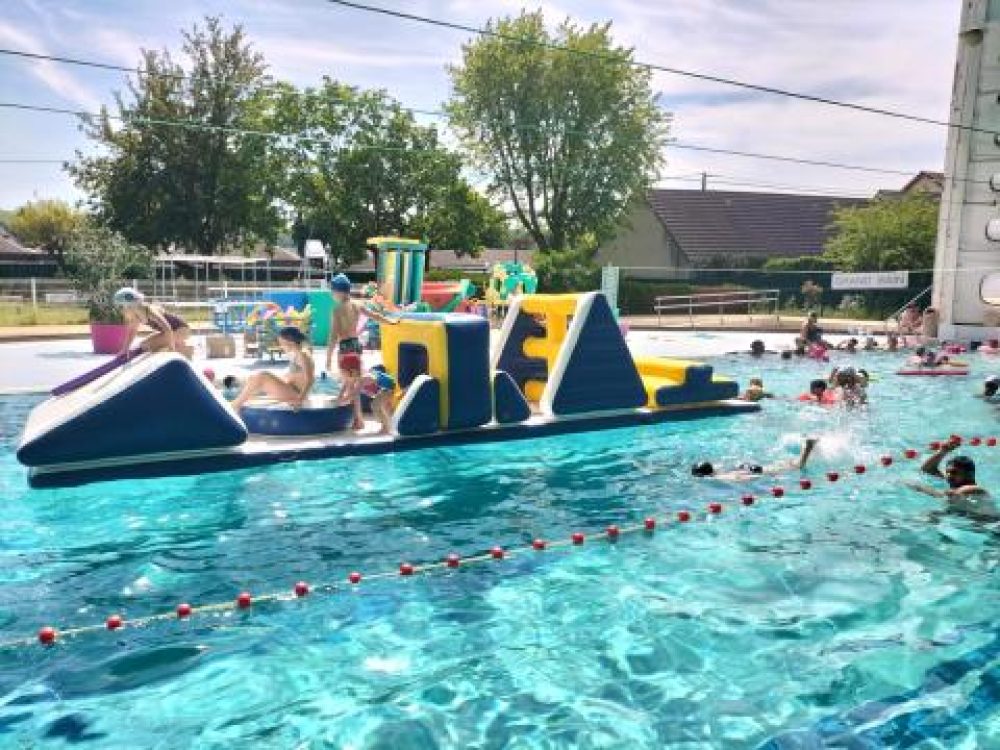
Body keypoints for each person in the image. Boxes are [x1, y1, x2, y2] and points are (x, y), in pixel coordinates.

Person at [325, 273, 400, 374]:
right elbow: (375, 316)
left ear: (339, 292)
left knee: (346, 378)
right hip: (356, 345)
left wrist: (328, 358)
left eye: (333, 291)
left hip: (345, 347)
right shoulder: (358, 304)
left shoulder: (337, 310)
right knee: (356, 376)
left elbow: (333, 335)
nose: (332, 294)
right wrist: (390, 322)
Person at [230, 327, 314, 411]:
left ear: (289, 341)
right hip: (291, 389)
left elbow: (310, 379)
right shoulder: (296, 354)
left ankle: (235, 406)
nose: (281, 346)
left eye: (281, 343)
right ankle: (242, 403)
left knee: (263, 376)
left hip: (296, 394)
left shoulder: (302, 355)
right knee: (252, 378)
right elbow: (296, 376)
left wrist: (300, 399)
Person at [908, 438, 994, 517]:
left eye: (954, 472)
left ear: (969, 474)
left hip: (990, 525)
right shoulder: (955, 484)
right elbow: (927, 470)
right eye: (947, 472)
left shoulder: (975, 489)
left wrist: (920, 488)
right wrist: (943, 451)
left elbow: (950, 495)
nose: (949, 476)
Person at [113, 287, 193, 359]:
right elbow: (132, 331)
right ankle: (180, 344)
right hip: (173, 331)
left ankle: (184, 349)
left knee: (148, 345)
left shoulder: (150, 311)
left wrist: (171, 349)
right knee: (143, 344)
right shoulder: (135, 315)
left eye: (121, 307)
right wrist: (125, 349)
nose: (121, 311)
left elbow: (167, 329)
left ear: (130, 306)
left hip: (181, 330)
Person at [691, 438, 818, 482]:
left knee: (797, 466)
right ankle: (806, 447)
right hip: (746, 467)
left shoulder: (719, 477)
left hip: (752, 471)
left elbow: (738, 478)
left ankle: (808, 447)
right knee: (787, 464)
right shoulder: (716, 471)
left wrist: (763, 476)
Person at [362, 365, 397, 434]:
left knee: (377, 405)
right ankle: (389, 425)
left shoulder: (367, 376)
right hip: (387, 386)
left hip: (387, 387)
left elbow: (372, 380)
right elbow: (372, 392)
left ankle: (386, 426)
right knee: (383, 407)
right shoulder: (370, 375)